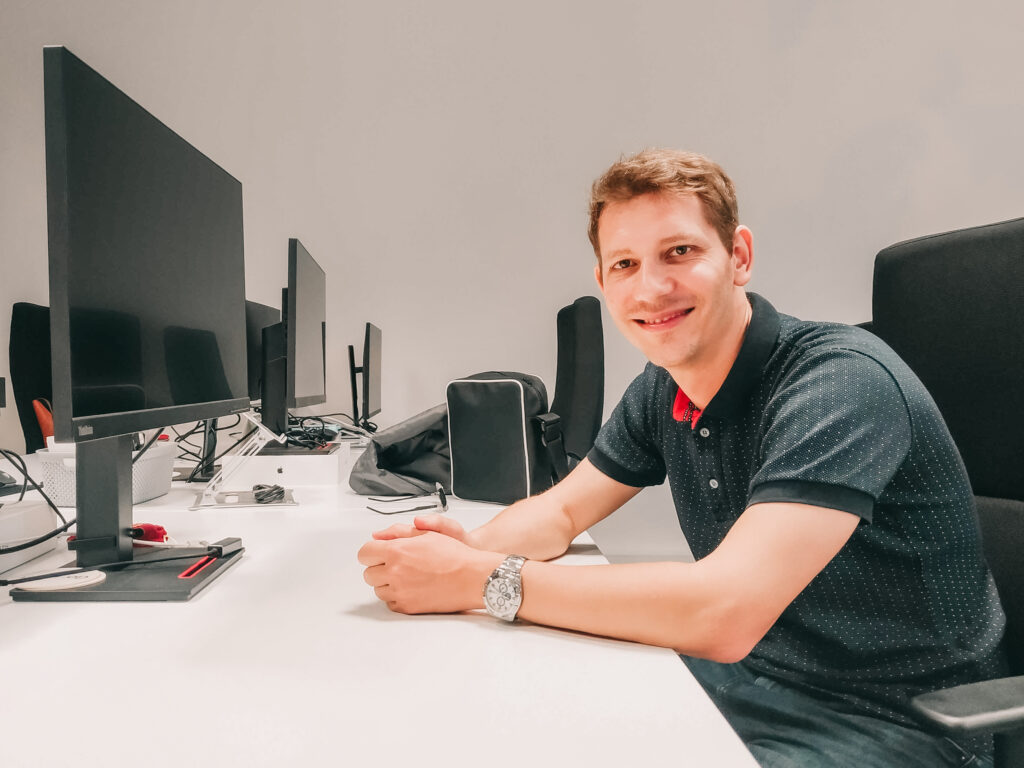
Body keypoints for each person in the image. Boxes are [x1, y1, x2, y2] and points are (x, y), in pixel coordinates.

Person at [358, 149, 1006, 767]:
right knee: (522, 728)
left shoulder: (839, 382)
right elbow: (558, 512)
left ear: (738, 256)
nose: (652, 287)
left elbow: (724, 611)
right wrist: (459, 551)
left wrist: (480, 581)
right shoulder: (663, 389)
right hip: (749, 683)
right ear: (604, 282)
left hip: (900, 725)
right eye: (625, 265)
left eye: (680, 252)